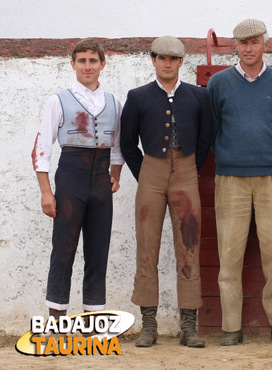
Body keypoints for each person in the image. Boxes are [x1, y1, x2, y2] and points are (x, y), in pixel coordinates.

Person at [207, 19, 272, 346]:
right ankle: (231, 327)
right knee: (229, 256)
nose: (248, 48)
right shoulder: (218, 83)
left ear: (264, 44)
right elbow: (213, 129)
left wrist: (266, 154)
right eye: (243, 42)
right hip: (231, 179)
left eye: (255, 42)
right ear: (235, 45)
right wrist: (234, 155)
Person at [120, 36, 212, 348]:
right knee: (147, 244)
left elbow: (205, 138)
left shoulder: (198, 96)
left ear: (181, 62)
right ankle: (149, 324)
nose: (167, 63)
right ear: (153, 60)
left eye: (173, 59)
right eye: (162, 58)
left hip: (186, 170)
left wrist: (191, 168)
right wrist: (144, 172)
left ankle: (189, 325)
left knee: (189, 243)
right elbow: (127, 142)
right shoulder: (138, 96)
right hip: (151, 170)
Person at [31, 38, 124, 320]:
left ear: (102, 65)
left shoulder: (113, 102)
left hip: (100, 180)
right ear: (72, 64)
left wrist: (115, 176)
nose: (87, 66)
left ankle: (93, 320)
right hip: (71, 176)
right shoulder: (57, 100)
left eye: (93, 61)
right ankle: (56, 319)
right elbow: (41, 148)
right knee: (63, 248)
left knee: (98, 251)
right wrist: (47, 192)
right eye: (81, 61)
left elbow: (117, 145)